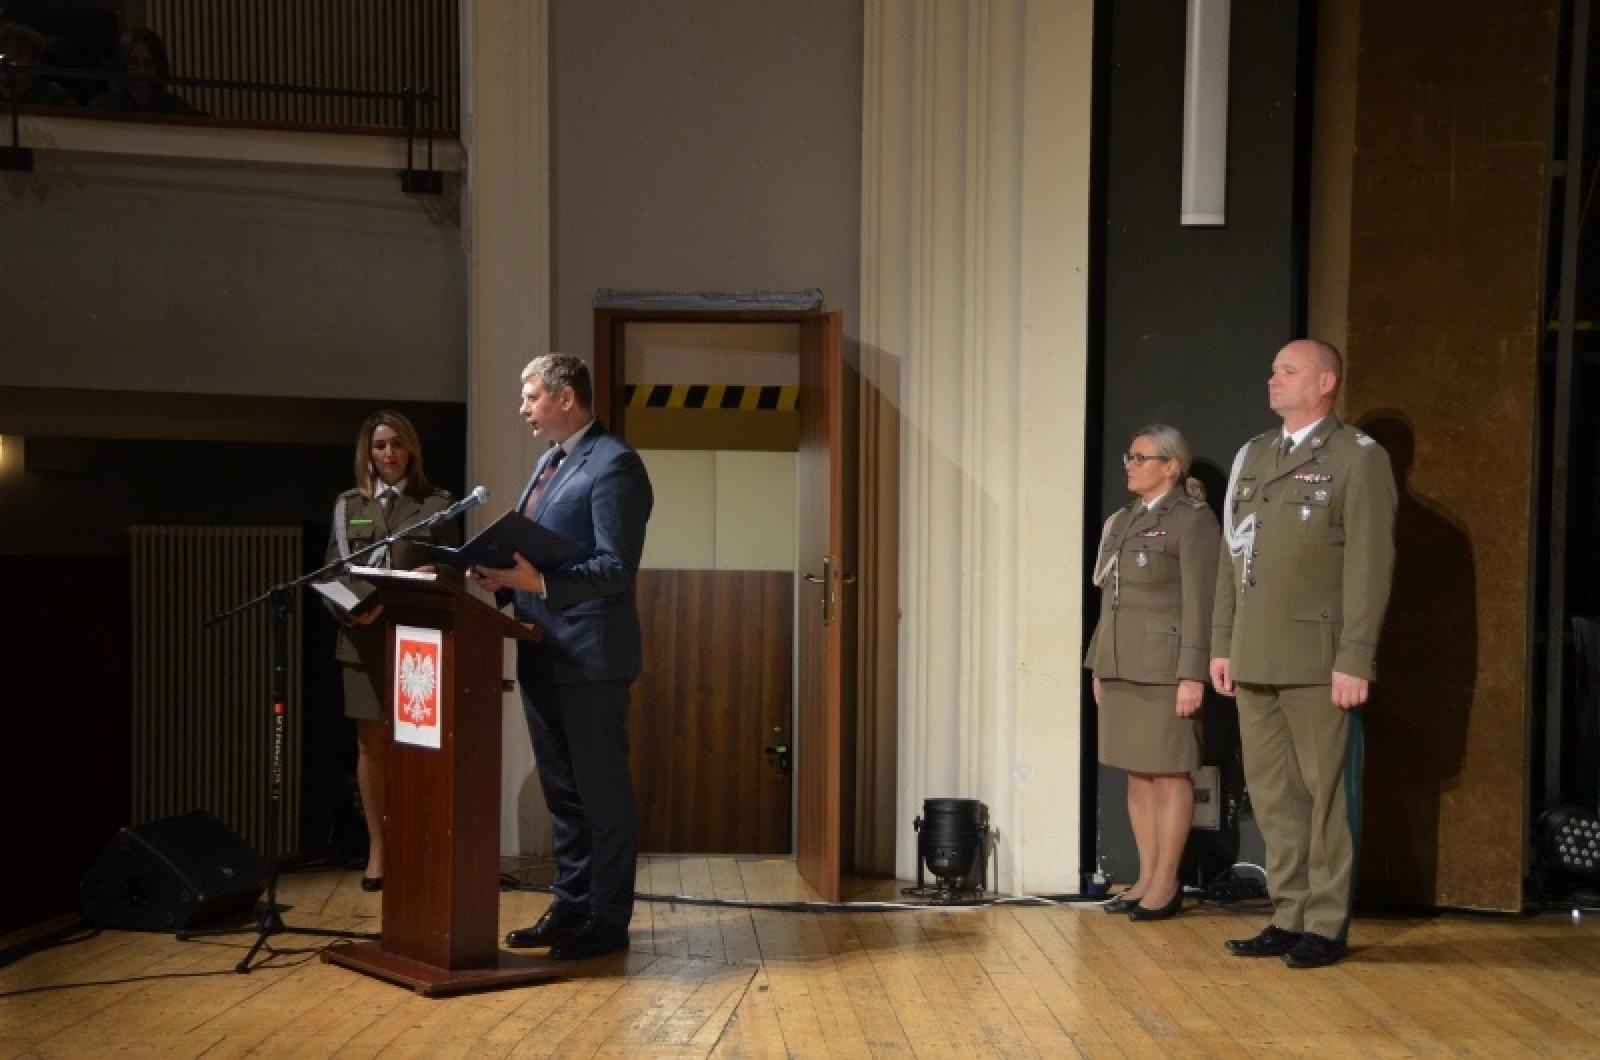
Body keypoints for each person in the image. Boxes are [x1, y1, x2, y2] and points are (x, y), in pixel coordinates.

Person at [1209, 338, 1397, 968]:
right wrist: (1221, 643)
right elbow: (1233, 559)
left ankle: (1325, 922)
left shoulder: (1356, 459)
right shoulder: (1255, 455)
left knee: (1326, 798)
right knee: (1272, 795)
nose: (1273, 379)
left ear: (1326, 382)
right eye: (1271, 370)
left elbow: (1370, 568)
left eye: (1288, 371)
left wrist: (1357, 656)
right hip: (1255, 653)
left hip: (1319, 660)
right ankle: (1287, 913)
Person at [473, 354, 653, 961]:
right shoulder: (549, 462)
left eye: (530, 397)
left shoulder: (615, 465)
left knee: (600, 793)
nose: (522, 409)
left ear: (566, 397)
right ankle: (571, 904)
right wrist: (501, 577)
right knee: (563, 792)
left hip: (591, 656)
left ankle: (607, 917)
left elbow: (614, 567)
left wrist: (538, 583)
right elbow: (540, 554)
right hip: (542, 646)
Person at [1085, 425, 1219, 921]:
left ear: (1171, 466)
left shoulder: (1192, 520)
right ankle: (1144, 875)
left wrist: (1193, 673)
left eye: (1141, 457)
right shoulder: (1121, 520)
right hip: (1122, 662)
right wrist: (1099, 663)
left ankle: (1167, 880)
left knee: (1169, 771)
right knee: (1137, 772)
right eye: (1129, 455)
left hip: (1166, 667)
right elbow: (1109, 599)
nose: (1129, 464)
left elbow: (1202, 602)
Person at [323, 410, 460, 892]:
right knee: (371, 746)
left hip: (417, 647)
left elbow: (454, 574)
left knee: (418, 747)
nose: (388, 454)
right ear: (368, 453)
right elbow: (330, 573)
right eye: (380, 446)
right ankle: (379, 848)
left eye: (397, 445)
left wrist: (433, 579)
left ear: (411, 451)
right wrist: (353, 611)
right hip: (361, 640)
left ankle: (418, 844)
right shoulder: (348, 506)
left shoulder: (435, 504)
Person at [90, 28, 203, 116]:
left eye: (149, 63)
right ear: (123, 65)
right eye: (134, 63)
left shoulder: (174, 108)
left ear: (159, 67)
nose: (141, 70)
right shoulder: (104, 108)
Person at [0, 22, 75, 107]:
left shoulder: (54, 95)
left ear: (35, 60)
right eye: (2, 53)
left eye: (18, 54)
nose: (8, 59)